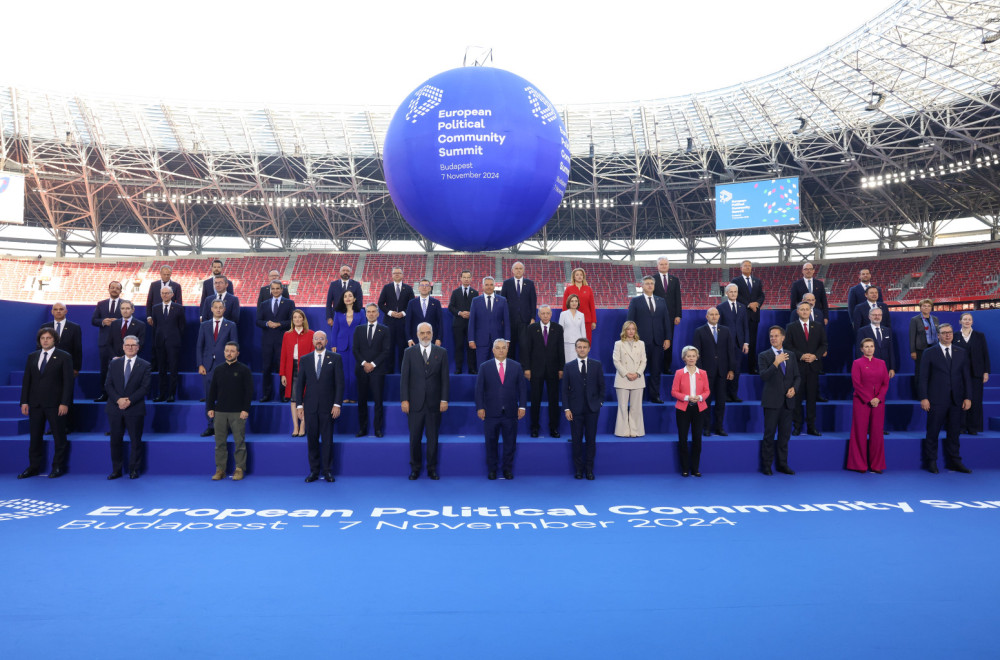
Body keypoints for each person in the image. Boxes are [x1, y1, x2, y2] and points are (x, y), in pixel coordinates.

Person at [17, 328, 75, 479]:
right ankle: (33, 467)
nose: (45, 340)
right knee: (35, 437)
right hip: (35, 404)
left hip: (56, 404)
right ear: (39, 340)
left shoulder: (64, 356)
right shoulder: (32, 356)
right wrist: (24, 401)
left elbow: (68, 383)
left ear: (54, 339)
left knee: (59, 437)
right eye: (43, 338)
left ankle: (57, 467)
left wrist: (65, 403)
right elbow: (27, 381)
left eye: (48, 338)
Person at [919, 324, 972, 474]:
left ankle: (954, 461)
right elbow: (923, 378)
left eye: (950, 332)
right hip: (936, 399)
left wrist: (968, 397)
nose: (948, 335)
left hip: (957, 399)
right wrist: (924, 397)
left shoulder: (961, 352)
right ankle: (931, 461)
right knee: (933, 431)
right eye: (944, 333)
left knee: (954, 432)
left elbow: (966, 377)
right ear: (938, 335)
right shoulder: (929, 353)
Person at [400, 322, 449, 479]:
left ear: (432, 334)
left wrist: (444, 399)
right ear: (417, 335)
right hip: (414, 404)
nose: (425, 336)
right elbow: (404, 379)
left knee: (433, 439)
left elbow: (445, 380)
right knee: (414, 438)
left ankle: (431, 468)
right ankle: (415, 468)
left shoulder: (441, 352)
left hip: (434, 404)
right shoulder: (409, 352)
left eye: (428, 332)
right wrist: (404, 400)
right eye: (422, 333)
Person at [294, 331, 345, 483]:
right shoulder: (305, 359)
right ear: (313, 341)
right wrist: (298, 405)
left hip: (328, 407)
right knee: (312, 440)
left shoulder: (335, 358)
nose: (319, 341)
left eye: (321, 339)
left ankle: (328, 471)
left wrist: (337, 404)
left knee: (327, 440)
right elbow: (300, 384)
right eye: (316, 339)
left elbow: (339, 383)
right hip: (310, 407)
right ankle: (314, 471)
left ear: (326, 341)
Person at [475, 338, 527, 480]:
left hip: (511, 412)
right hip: (491, 412)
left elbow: (522, 389)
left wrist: (522, 406)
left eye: (503, 347)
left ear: (507, 349)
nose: (501, 350)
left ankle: (507, 469)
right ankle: (492, 470)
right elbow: (479, 390)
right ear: (493, 350)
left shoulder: (516, 366)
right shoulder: (485, 367)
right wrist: (480, 407)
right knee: (491, 443)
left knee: (510, 443)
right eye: (498, 348)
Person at [105, 335, 151, 480]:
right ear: (123, 347)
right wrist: (118, 399)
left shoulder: (145, 365)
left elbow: (145, 388)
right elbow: (108, 385)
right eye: (127, 345)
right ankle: (116, 470)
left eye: (133, 345)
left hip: (135, 408)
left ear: (138, 347)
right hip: (115, 408)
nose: (130, 348)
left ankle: (134, 470)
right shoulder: (114, 364)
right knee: (115, 440)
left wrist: (129, 400)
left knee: (135, 441)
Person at [207, 341, 254, 481]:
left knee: (239, 442)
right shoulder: (218, 369)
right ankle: (220, 469)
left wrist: (245, 409)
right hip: (220, 412)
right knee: (219, 443)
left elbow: (249, 392)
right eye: (227, 350)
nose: (229, 353)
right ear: (224, 352)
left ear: (237, 353)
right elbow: (212, 390)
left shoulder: (244, 370)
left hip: (237, 412)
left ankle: (239, 469)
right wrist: (210, 407)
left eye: (232, 351)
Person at [758, 326, 800, 475]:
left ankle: (782, 464)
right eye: (771, 336)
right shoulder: (764, 355)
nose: (773, 338)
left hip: (788, 402)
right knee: (769, 435)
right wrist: (776, 363)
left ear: (783, 338)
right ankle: (767, 466)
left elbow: (797, 376)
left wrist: (794, 388)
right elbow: (763, 376)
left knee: (784, 435)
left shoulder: (791, 355)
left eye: (776, 336)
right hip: (771, 402)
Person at [562, 338, 605, 479]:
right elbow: (564, 391)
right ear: (575, 349)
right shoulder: (569, 366)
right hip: (575, 410)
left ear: (589, 349)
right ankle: (578, 470)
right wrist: (567, 409)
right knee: (576, 440)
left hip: (592, 410)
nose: (582, 349)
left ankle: (589, 469)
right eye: (579, 347)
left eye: (584, 347)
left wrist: (599, 403)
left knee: (591, 440)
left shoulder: (597, 365)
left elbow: (602, 387)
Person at [691, 307, 737, 437]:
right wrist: (699, 371)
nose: (714, 316)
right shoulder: (699, 331)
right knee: (705, 401)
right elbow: (696, 353)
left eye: (716, 314)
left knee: (721, 402)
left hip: (723, 372)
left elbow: (730, 352)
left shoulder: (726, 331)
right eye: (711, 314)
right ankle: (706, 428)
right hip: (706, 373)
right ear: (707, 316)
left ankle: (719, 427)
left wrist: (731, 369)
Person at [626, 275, 672, 403]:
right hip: (640, 342)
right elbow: (630, 321)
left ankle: (654, 395)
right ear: (642, 285)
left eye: (652, 283)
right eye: (647, 283)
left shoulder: (661, 301)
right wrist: (631, 338)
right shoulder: (635, 301)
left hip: (658, 341)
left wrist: (668, 338)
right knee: (639, 370)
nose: (650, 285)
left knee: (656, 370)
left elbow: (666, 321)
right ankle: (638, 396)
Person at [847, 338, 889, 474]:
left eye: (871, 346)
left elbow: (885, 383)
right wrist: (869, 399)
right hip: (861, 401)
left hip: (878, 402)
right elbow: (856, 384)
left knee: (877, 433)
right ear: (861, 349)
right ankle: (859, 464)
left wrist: (878, 398)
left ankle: (877, 465)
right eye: (866, 346)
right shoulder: (857, 363)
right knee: (859, 432)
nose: (869, 349)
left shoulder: (881, 363)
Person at [196, 300, 239, 437]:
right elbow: (199, 346)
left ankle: (224, 427)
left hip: (225, 366)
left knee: (225, 397)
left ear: (224, 309)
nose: (218, 310)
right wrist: (200, 364)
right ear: (211, 309)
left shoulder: (231, 325)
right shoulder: (204, 325)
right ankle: (211, 426)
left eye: (221, 308)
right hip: (207, 366)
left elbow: (234, 346)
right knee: (209, 397)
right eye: (216, 307)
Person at [784, 302, 827, 436]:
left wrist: (815, 356)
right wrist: (801, 355)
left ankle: (811, 426)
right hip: (797, 367)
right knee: (796, 399)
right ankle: (797, 426)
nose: (804, 312)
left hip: (813, 367)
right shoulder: (791, 327)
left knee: (811, 398)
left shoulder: (818, 326)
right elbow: (787, 346)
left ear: (810, 311)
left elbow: (824, 345)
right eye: (802, 309)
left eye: (807, 309)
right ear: (797, 312)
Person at [525, 305, 565, 438]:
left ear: (551, 314)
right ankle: (534, 428)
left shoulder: (558, 328)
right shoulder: (531, 328)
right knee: (535, 400)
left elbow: (561, 350)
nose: (546, 316)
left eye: (548, 313)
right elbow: (527, 350)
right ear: (539, 314)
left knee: (554, 400)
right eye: (543, 313)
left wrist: (561, 368)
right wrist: (527, 368)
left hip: (554, 370)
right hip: (535, 370)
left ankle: (554, 428)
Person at [671, 345, 710, 477]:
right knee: (682, 438)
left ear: (697, 357)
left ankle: (695, 468)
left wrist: (699, 397)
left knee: (697, 438)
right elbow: (674, 391)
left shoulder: (703, 373)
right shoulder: (679, 373)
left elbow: (707, 391)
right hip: (683, 408)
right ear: (684, 358)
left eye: (693, 356)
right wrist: (687, 397)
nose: (691, 358)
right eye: (689, 356)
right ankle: (685, 468)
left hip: (699, 408)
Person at [353, 303, 390, 438]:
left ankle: (377, 429)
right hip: (361, 370)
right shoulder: (359, 329)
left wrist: (373, 364)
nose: (371, 314)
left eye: (374, 311)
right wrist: (364, 363)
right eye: (369, 312)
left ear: (378, 313)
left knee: (378, 401)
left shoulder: (385, 330)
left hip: (378, 370)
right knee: (361, 401)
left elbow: (386, 351)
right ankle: (362, 429)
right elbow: (355, 350)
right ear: (365, 313)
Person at [256, 280, 294, 402]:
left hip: (283, 341)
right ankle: (266, 395)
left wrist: (279, 324)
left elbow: (292, 321)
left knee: (282, 368)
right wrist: (267, 323)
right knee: (266, 368)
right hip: (267, 342)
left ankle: (284, 395)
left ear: (282, 290)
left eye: (278, 288)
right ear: (270, 290)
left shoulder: (289, 303)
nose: (275, 291)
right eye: (273, 289)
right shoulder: (264, 304)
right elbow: (258, 321)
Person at [954, 312, 991, 435]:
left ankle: (973, 427)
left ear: (972, 322)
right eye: (965, 319)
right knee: (960, 399)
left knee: (975, 400)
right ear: (960, 321)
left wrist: (986, 371)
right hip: (959, 374)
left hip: (976, 373)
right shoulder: (955, 336)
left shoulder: (980, 336)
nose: (967, 321)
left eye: (969, 319)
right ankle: (960, 426)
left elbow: (985, 354)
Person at [280, 309, 315, 437]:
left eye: (299, 317)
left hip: (306, 369)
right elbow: (283, 354)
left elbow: (313, 354)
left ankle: (303, 426)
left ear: (303, 319)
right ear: (292, 320)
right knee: (294, 399)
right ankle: (295, 426)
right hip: (291, 369)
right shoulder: (287, 335)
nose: (297, 320)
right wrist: (283, 374)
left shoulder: (311, 334)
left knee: (305, 398)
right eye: (295, 317)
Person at [150, 286, 185, 402]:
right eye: (163, 293)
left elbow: (182, 327)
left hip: (173, 343)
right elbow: (155, 327)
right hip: (159, 343)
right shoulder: (155, 308)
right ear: (160, 294)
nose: (164, 295)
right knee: (161, 370)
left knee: (173, 370)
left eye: (167, 293)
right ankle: (162, 394)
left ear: (172, 295)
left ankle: (171, 394)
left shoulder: (179, 308)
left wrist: (176, 338)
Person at [377, 266, 415, 372]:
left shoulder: (408, 288)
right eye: (395, 273)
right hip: (389, 322)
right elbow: (380, 303)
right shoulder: (386, 287)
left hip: (403, 322)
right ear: (392, 275)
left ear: (403, 275)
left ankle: (403, 371)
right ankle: (389, 371)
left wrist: (403, 313)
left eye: (399, 273)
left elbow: (411, 304)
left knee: (403, 347)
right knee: (389, 347)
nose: (397, 274)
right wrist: (390, 313)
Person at [612, 320, 646, 437]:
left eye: (633, 329)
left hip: (638, 379)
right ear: (624, 330)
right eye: (628, 329)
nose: (631, 331)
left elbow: (643, 361)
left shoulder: (641, 343)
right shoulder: (618, 344)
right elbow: (616, 360)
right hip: (623, 378)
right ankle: (623, 431)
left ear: (635, 331)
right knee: (622, 407)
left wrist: (637, 373)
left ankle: (636, 431)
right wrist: (626, 373)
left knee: (636, 407)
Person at [91, 280, 124, 401]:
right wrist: (103, 322)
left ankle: (119, 395)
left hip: (120, 342)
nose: (114, 289)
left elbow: (131, 321)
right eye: (112, 287)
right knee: (104, 369)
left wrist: (119, 322)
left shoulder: (126, 304)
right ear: (109, 289)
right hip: (104, 342)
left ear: (121, 291)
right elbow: (94, 320)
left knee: (120, 369)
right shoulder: (101, 304)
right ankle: (104, 394)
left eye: (117, 288)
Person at [716, 284, 749, 402]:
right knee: (725, 369)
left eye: (735, 292)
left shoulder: (742, 307)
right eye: (731, 292)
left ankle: (733, 394)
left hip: (739, 344)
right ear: (726, 293)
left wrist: (746, 343)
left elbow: (745, 326)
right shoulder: (720, 307)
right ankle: (724, 395)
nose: (733, 294)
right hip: (725, 343)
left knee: (737, 370)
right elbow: (718, 326)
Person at [468, 276, 510, 366]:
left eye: (491, 285)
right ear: (482, 286)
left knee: (497, 368)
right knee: (481, 367)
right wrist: (471, 339)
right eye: (486, 285)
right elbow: (472, 322)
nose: (489, 287)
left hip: (498, 341)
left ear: (494, 286)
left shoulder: (502, 300)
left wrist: (507, 339)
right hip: (481, 340)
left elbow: (506, 322)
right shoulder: (475, 301)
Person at [731, 260, 765, 373]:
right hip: (740, 315)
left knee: (752, 343)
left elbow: (761, 295)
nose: (748, 268)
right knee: (737, 341)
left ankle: (752, 367)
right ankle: (736, 367)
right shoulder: (736, 281)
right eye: (745, 266)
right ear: (740, 268)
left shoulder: (757, 281)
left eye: (749, 266)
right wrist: (749, 304)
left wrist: (757, 304)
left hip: (754, 316)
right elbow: (736, 295)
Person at [331, 290, 364, 403]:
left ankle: (354, 397)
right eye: (345, 296)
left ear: (354, 299)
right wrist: (333, 344)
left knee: (354, 373)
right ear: (343, 299)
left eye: (350, 296)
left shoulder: (361, 312)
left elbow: (363, 330)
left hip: (357, 347)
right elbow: (335, 330)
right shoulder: (338, 313)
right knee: (343, 373)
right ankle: (344, 396)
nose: (348, 298)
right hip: (341, 346)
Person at [500, 261, 537, 361]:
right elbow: (502, 302)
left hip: (525, 321)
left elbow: (533, 302)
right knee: (510, 346)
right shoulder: (507, 283)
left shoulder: (530, 283)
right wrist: (502, 318)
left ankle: (524, 369)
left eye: (520, 268)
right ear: (512, 270)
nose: (518, 270)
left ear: (524, 270)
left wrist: (533, 318)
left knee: (524, 346)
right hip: (510, 320)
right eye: (516, 268)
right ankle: (511, 368)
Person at [652, 256, 682, 370]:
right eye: (661, 264)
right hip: (656, 315)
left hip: (670, 316)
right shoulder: (653, 279)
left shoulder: (674, 280)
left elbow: (678, 298)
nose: (664, 266)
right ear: (657, 266)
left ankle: (666, 367)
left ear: (668, 265)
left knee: (669, 340)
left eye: (665, 264)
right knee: (656, 340)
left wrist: (678, 315)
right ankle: (656, 366)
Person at [448, 270, 479, 374]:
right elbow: (450, 307)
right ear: (460, 278)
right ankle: (458, 368)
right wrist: (460, 313)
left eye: (468, 277)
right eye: (464, 277)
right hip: (458, 324)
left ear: (471, 279)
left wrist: (471, 313)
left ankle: (471, 368)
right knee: (459, 346)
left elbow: (478, 307)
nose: (466, 279)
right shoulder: (455, 292)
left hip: (471, 325)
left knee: (471, 347)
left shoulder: (475, 293)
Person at [908, 299, 939, 399]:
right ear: (920, 307)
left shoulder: (935, 319)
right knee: (920, 372)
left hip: (933, 348)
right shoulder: (915, 319)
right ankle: (920, 395)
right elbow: (912, 336)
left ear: (931, 307)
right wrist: (913, 351)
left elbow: (938, 333)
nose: (926, 308)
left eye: (928, 306)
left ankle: (931, 393)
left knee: (933, 372)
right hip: (920, 350)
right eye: (924, 306)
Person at [41, 302, 82, 375]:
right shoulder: (45, 327)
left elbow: (77, 348)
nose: (58, 311)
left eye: (61, 309)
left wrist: (76, 368)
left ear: (66, 311)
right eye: (56, 309)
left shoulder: (74, 327)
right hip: (48, 364)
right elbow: (40, 346)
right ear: (52, 312)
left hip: (67, 364)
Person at [562, 267, 596, 343]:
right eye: (577, 275)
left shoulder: (588, 289)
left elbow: (592, 306)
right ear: (574, 277)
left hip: (586, 320)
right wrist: (565, 320)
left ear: (583, 276)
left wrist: (593, 321)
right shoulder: (568, 289)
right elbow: (565, 305)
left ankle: (585, 355)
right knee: (574, 341)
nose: (579, 276)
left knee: (586, 341)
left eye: (581, 275)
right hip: (572, 320)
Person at [406, 279, 443, 347]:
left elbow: (440, 322)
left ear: (430, 288)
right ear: (418, 288)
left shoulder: (436, 302)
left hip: (432, 339)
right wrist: (409, 339)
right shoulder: (412, 303)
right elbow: (408, 322)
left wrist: (439, 338)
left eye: (426, 285)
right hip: (415, 339)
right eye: (422, 285)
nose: (424, 287)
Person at [559, 293, 588, 364]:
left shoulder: (581, 315)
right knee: (567, 363)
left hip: (578, 344)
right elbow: (560, 330)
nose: (574, 303)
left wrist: (584, 344)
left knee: (578, 363)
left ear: (578, 303)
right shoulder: (563, 314)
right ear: (568, 302)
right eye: (572, 301)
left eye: (576, 301)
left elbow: (583, 330)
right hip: (566, 343)